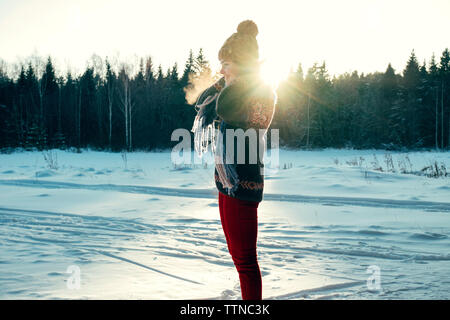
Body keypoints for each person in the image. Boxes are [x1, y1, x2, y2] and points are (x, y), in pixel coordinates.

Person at [191, 20, 277, 300]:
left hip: (244, 182)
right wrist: (225, 79)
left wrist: (234, 80)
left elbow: (227, 109)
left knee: (245, 260)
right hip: (226, 180)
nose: (221, 69)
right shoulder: (234, 86)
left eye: (226, 63)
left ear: (241, 64)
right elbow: (204, 99)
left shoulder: (258, 90)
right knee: (236, 254)